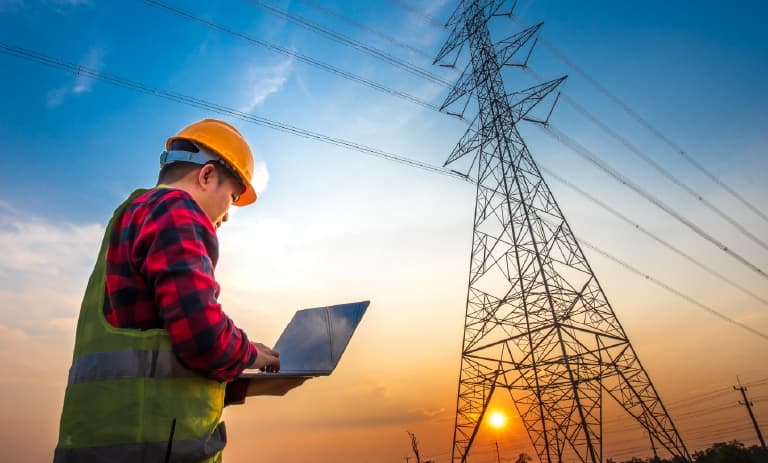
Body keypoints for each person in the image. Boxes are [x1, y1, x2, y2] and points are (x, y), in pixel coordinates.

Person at [54, 118, 280, 463]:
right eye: (231, 197)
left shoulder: (130, 215)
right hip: (150, 450)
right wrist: (250, 354)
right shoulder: (176, 211)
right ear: (206, 176)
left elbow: (152, 357)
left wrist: (238, 376)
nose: (227, 216)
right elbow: (202, 336)